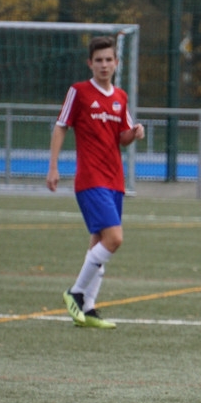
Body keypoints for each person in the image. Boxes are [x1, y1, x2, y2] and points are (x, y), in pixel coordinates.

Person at [47, 35, 145, 329]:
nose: (104, 65)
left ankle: (88, 309)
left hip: (115, 179)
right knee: (114, 239)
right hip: (90, 179)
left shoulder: (120, 98)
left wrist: (135, 132)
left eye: (108, 60)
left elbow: (122, 137)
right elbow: (61, 126)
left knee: (98, 244)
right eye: (98, 60)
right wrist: (52, 166)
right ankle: (75, 293)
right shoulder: (79, 92)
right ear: (90, 63)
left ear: (117, 63)